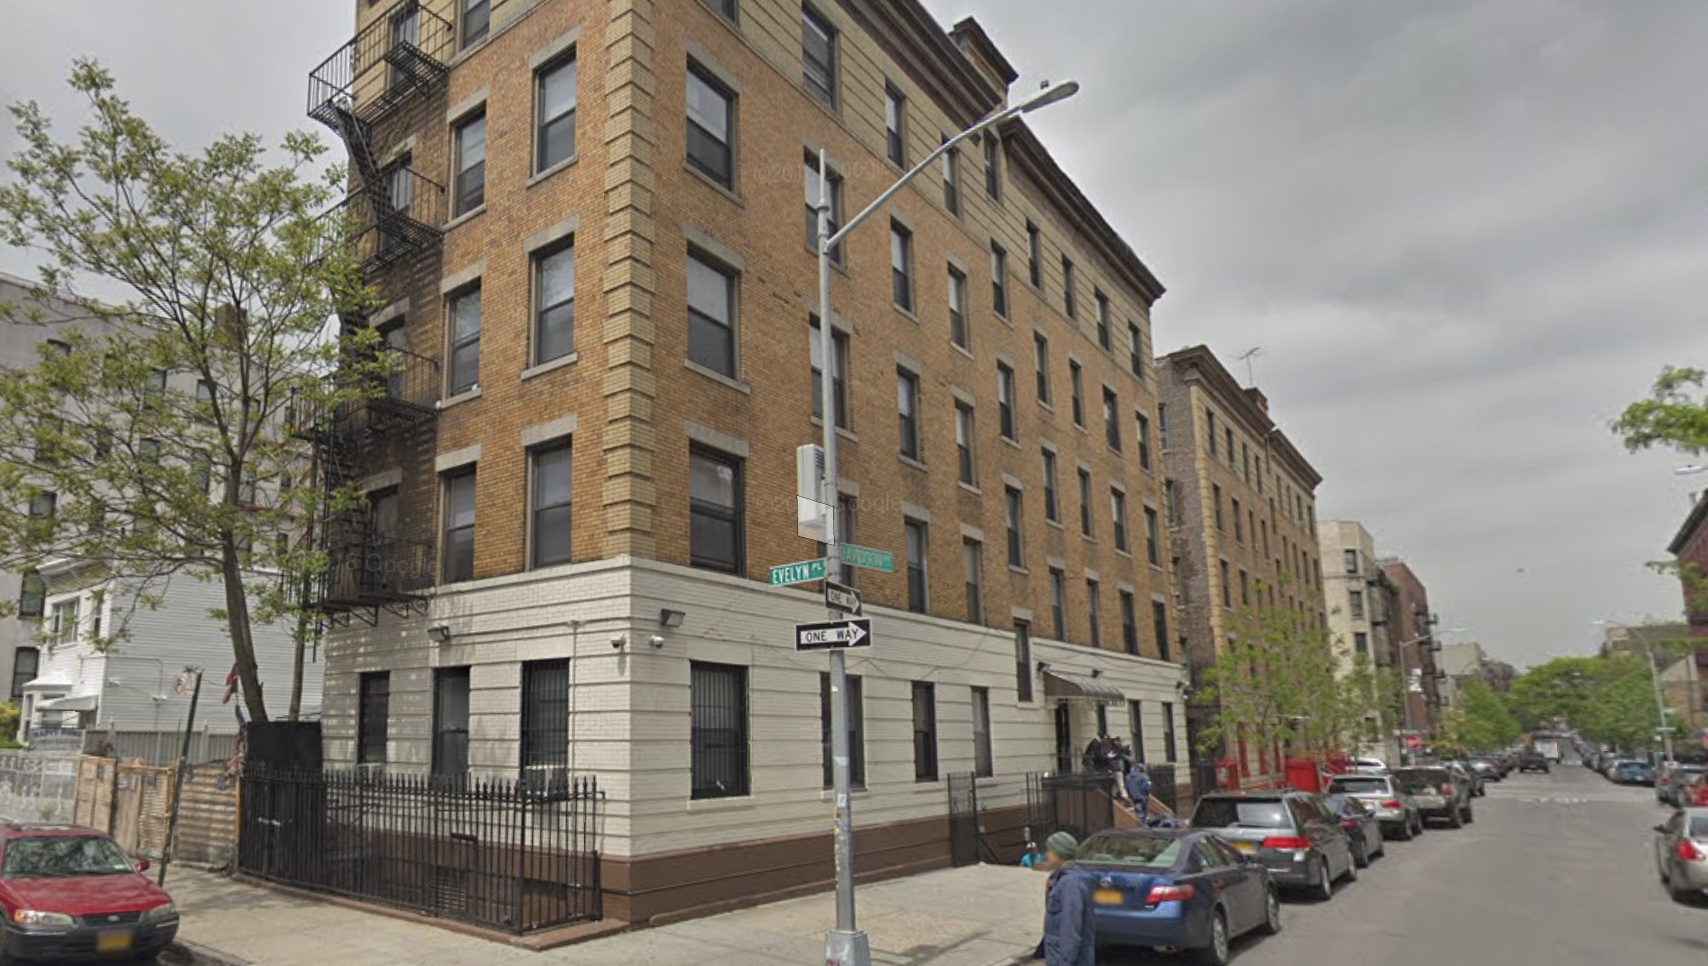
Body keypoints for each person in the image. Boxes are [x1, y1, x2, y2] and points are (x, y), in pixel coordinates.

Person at [1033, 831, 1095, 966]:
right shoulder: (1060, 879)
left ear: (1059, 852)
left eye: (1049, 850)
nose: (1046, 855)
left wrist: (1065, 962)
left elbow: (1070, 928)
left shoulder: (1070, 884)